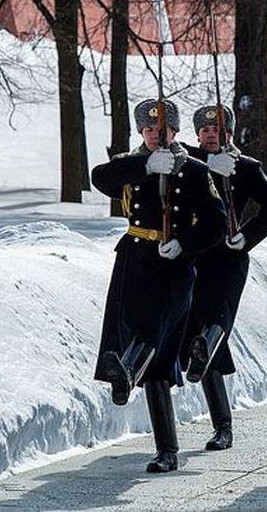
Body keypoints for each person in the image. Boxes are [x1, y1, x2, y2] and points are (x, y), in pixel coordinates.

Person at [92, 98, 227, 473]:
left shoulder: (196, 171)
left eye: (162, 130)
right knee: (150, 355)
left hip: (175, 266)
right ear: (141, 132)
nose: (155, 135)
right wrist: (145, 166)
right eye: (149, 130)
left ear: (175, 131)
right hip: (136, 260)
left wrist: (185, 243)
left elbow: (217, 225)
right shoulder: (131, 163)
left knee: (156, 332)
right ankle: (165, 449)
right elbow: (100, 177)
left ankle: (127, 375)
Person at [181, 104, 267, 450]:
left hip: (228, 256)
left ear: (229, 133)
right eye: (206, 131)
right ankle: (219, 423)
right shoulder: (184, 162)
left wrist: (248, 235)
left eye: (219, 130)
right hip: (193, 255)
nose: (212, 135)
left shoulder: (245, 167)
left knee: (215, 324)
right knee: (197, 338)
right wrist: (207, 166)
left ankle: (223, 427)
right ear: (198, 135)